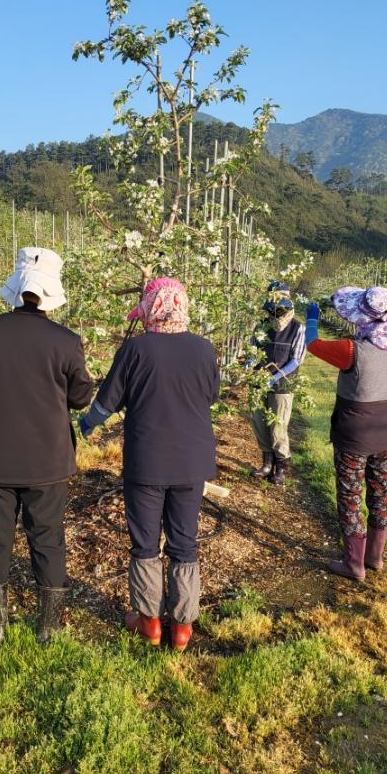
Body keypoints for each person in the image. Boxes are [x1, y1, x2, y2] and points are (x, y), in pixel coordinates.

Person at [79, 277, 220, 652]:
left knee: (145, 542)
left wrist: (87, 425)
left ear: (150, 309)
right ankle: (183, 627)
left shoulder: (135, 348)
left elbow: (106, 403)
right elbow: (211, 395)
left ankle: (150, 622)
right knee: (184, 541)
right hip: (192, 462)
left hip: (147, 461)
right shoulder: (204, 349)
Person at [0, 248, 93, 646]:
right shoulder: (66, 342)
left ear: (16, 287)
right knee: (47, 538)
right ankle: (47, 626)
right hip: (46, 460)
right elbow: (80, 398)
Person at [305, 286, 387, 582]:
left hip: (354, 436)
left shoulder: (353, 351)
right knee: (381, 493)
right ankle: (375, 556)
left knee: (350, 495)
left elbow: (313, 344)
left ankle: (354, 564)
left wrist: (311, 319)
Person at [249, 281, 306, 484]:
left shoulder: (297, 328)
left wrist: (274, 377)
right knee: (259, 422)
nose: (275, 311)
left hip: (282, 385)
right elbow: (253, 351)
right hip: (258, 382)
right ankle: (267, 462)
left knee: (278, 426)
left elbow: (296, 359)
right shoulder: (262, 326)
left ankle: (281, 465)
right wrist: (249, 364)